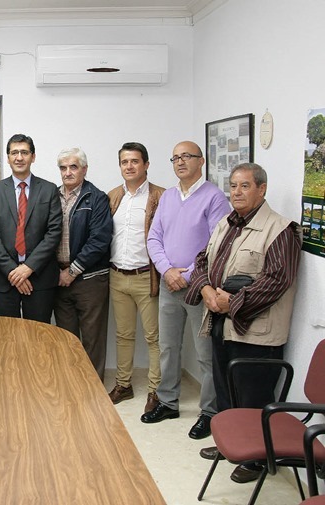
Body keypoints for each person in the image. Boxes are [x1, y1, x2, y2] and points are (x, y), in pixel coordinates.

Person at [185, 163, 302, 483]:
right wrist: (207, 291)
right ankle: (230, 445)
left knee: (253, 396)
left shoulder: (281, 230)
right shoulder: (226, 222)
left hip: (257, 333)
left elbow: (276, 281)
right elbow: (201, 261)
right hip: (222, 324)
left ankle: (256, 458)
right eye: (233, 186)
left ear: (262, 189)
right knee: (226, 390)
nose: (236, 192)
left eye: (245, 186)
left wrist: (230, 302)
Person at [140, 141, 230, 441]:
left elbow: (217, 245)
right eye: (175, 157)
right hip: (169, 285)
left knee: (205, 354)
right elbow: (154, 238)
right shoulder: (167, 197)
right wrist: (167, 270)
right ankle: (167, 402)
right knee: (168, 347)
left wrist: (188, 274)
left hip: (201, 287)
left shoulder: (214, 198)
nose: (180, 162)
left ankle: (209, 412)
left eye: (186, 156)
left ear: (201, 161)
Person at [107, 143, 165, 413]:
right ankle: (123, 384)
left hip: (147, 278)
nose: (129, 166)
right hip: (118, 277)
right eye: (124, 162)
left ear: (146, 165)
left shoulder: (161, 197)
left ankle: (156, 391)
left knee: (154, 338)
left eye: (134, 161)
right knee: (123, 335)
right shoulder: (113, 197)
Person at [0, 134, 62, 322]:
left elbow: (54, 233)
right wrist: (13, 271)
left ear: (33, 157)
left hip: (39, 278)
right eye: (14, 153)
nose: (19, 157)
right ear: (8, 158)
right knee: (6, 338)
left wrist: (28, 268)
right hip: (3, 278)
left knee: (37, 337)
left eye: (24, 152)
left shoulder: (49, 190)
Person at [53, 148, 112, 381]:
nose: (68, 172)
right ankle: (72, 383)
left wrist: (73, 270)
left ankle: (92, 386)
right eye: (63, 168)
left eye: (73, 167)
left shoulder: (96, 198)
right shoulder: (51, 195)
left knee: (92, 336)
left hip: (89, 279)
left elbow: (99, 240)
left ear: (84, 169)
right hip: (58, 278)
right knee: (66, 336)